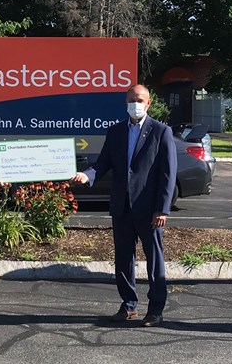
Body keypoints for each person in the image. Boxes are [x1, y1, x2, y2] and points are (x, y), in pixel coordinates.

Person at [72, 84, 177, 327]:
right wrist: (87, 175)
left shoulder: (161, 132)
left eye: (139, 99)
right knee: (123, 260)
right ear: (125, 102)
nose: (135, 104)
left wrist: (162, 209)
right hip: (122, 207)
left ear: (148, 103)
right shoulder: (116, 131)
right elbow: (103, 163)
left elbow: (167, 174)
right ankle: (129, 305)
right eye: (131, 99)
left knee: (154, 261)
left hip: (150, 209)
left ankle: (155, 309)